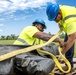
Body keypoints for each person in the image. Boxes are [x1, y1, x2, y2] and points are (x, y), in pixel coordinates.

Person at [46, 3, 76, 72]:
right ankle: (69, 66)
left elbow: (71, 40)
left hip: (73, 26)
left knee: (68, 45)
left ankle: (70, 66)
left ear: (59, 13)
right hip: (71, 27)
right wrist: (60, 22)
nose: (54, 21)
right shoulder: (59, 8)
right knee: (66, 44)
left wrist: (61, 53)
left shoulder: (69, 21)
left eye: (55, 18)